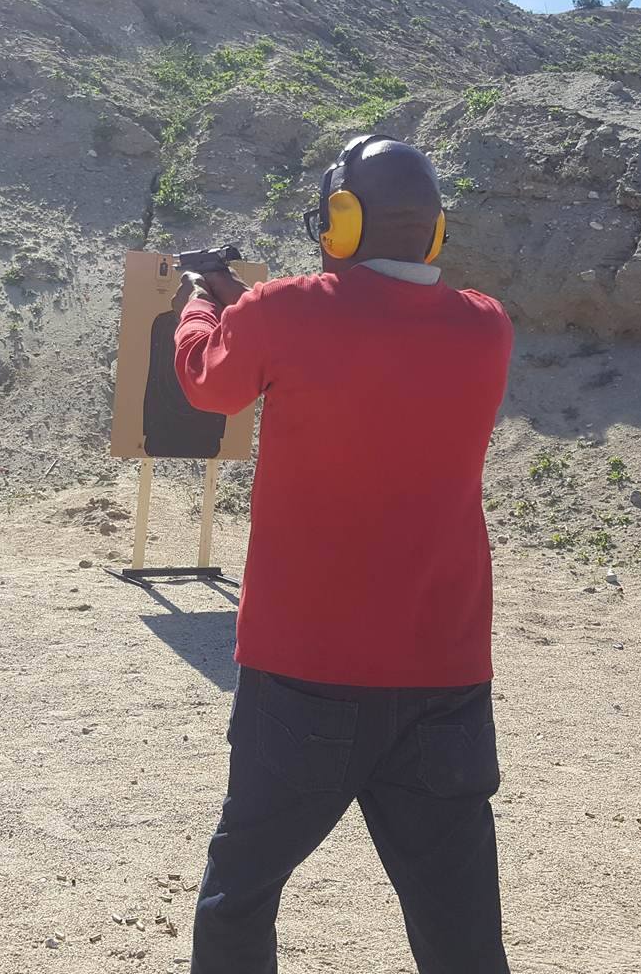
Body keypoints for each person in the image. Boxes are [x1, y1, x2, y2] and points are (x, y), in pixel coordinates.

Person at [171, 134, 515, 973]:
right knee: (459, 918)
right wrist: (248, 304)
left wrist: (201, 303)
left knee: (241, 893)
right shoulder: (486, 326)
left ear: (341, 219)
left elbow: (207, 382)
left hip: (303, 669)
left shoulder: (279, 310)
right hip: (445, 673)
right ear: (434, 230)